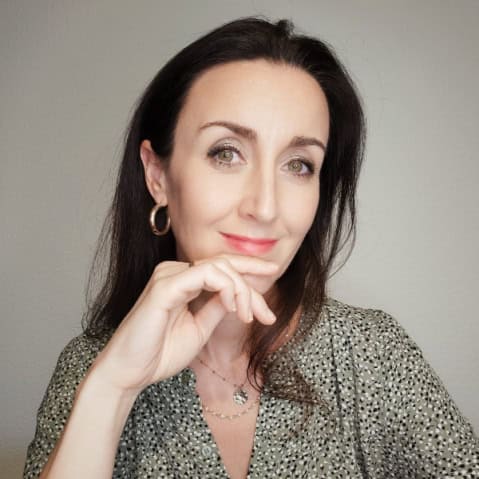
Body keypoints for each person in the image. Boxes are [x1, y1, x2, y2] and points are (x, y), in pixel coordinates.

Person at [24, 16, 479, 479]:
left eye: (299, 165)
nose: (265, 207)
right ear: (157, 176)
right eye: (226, 153)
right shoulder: (92, 367)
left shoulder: (372, 354)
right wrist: (113, 388)